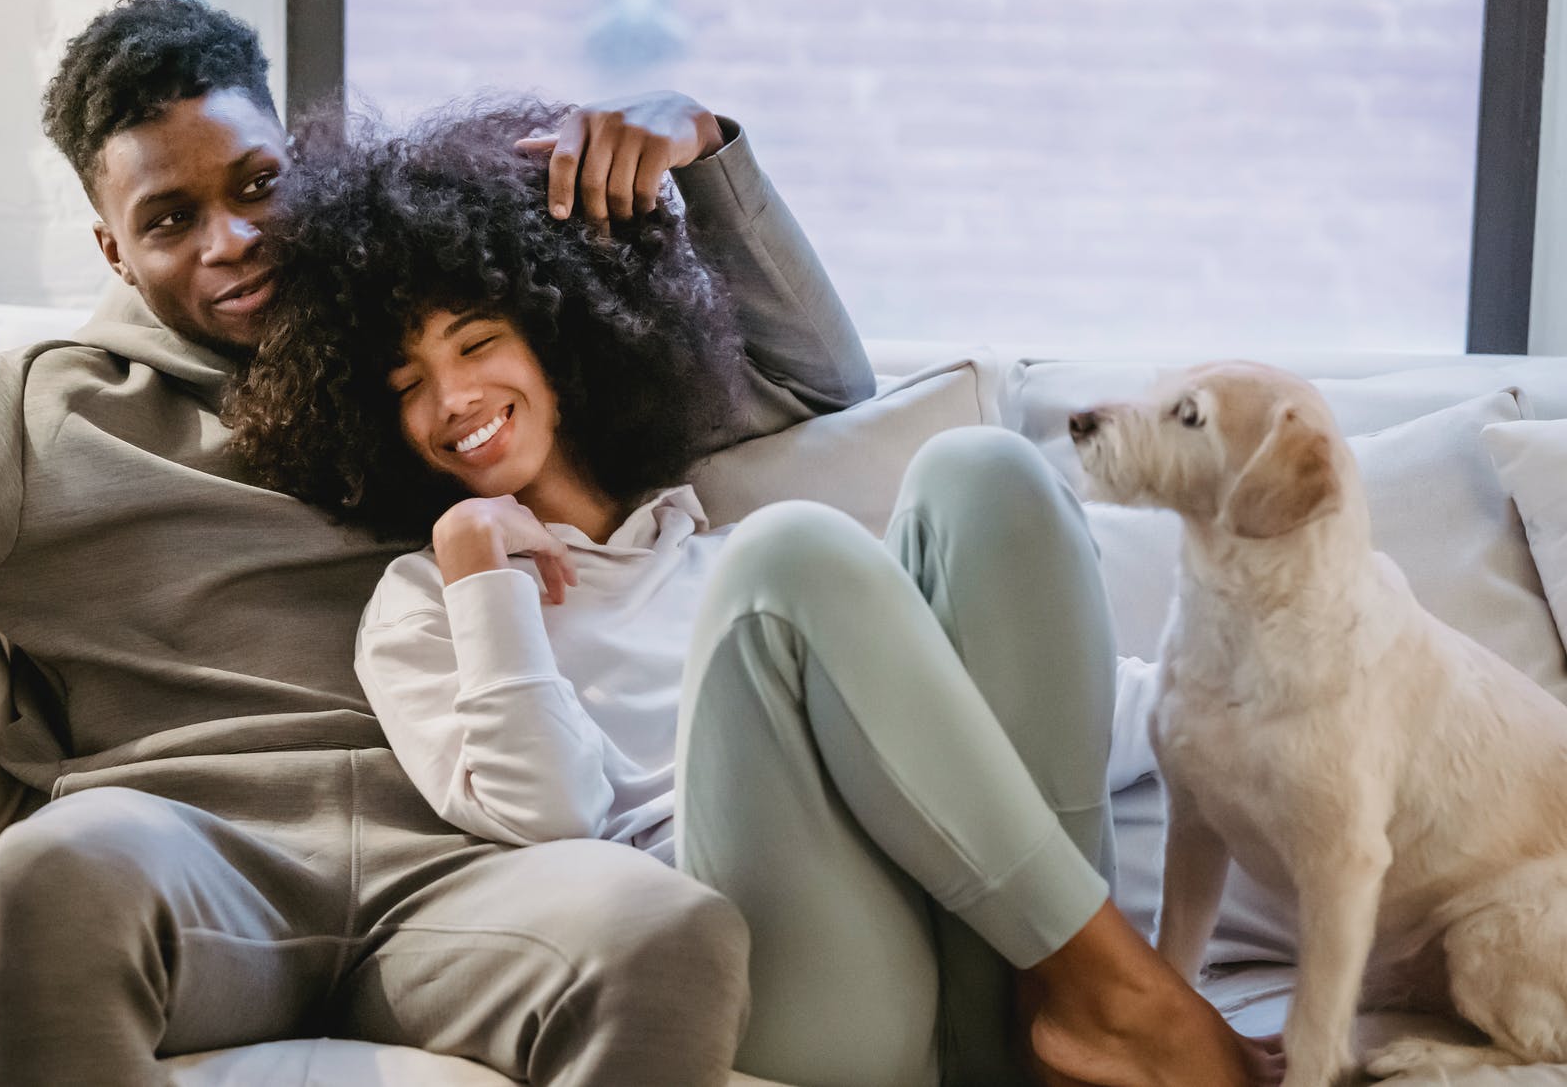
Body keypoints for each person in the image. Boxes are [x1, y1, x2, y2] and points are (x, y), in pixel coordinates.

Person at [0, 0, 879, 1086]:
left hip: (462, 865)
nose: (231, 240)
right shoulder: (34, 412)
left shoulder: (436, 370)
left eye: (256, 185)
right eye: (169, 219)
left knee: (663, 926)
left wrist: (705, 150)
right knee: (56, 868)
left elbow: (816, 385)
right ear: (112, 247)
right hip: (193, 856)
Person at [225, 100, 1288, 1087]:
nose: (453, 398)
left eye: (474, 340)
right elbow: (548, 816)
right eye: (406, 386)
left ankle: (1055, 1008)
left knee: (984, 474)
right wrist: (479, 570)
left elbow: (1020, 717)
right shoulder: (427, 600)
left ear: (554, 331)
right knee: (790, 562)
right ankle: (1116, 990)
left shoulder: (706, 543)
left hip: (961, 941)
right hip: (788, 972)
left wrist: (1268, 709)